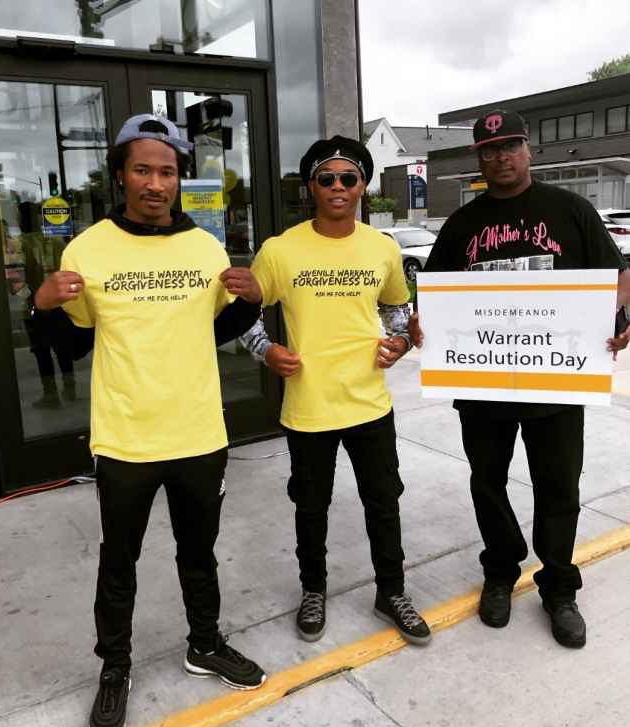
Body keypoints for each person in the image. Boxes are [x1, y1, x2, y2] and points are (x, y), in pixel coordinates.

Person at [35, 113, 266, 727]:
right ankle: (114, 668)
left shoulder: (204, 248)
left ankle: (205, 643)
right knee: (120, 562)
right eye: (143, 169)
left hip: (198, 434)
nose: (156, 183)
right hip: (127, 439)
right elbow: (72, 346)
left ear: (178, 179)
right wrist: (43, 306)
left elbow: (215, 331)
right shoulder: (87, 249)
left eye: (166, 171)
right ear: (120, 175)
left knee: (199, 553)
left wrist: (248, 301)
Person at [414, 109, 630, 649]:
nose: (500, 157)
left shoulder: (571, 209)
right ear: (479, 160)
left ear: (528, 150)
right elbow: (433, 293)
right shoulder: (462, 225)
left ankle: (558, 585)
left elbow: (619, 275)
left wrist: (618, 316)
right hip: (483, 387)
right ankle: (501, 569)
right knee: (488, 483)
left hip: (557, 385)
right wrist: (424, 323)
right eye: (489, 151)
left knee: (559, 487)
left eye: (510, 146)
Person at [237, 136, 431, 647]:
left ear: (364, 186)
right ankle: (313, 590)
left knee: (383, 502)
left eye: (350, 178)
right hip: (309, 406)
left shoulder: (382, 247)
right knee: (311, 506)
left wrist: (400, 340)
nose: (339, 187)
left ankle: (392, 592)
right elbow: (244, 312)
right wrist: (265, 350)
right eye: (328, 179)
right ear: (311, 187)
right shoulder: (280, 250)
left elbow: (395, 309)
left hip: (369, 403)